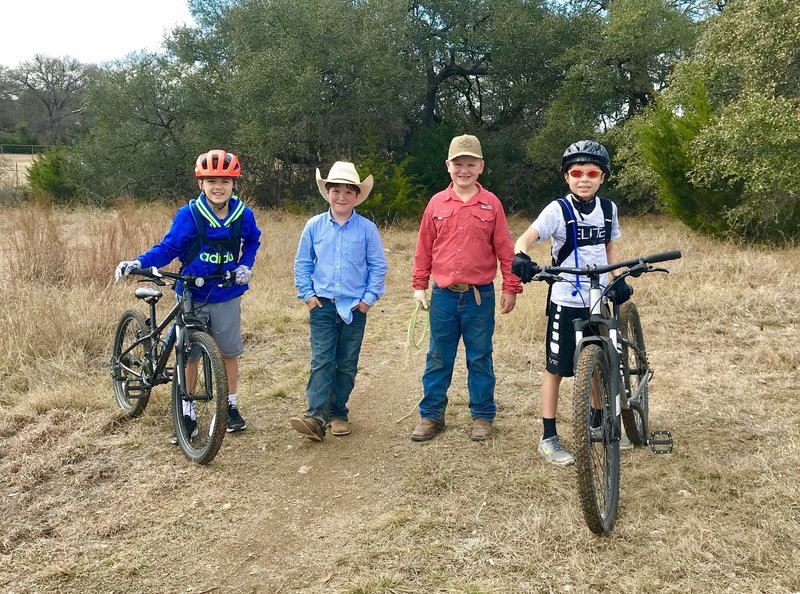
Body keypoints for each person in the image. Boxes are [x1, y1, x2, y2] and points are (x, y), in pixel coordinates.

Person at [115, 149, 262, 436]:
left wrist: (245, 265)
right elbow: (168, 248)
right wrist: (140, 262)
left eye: (225, 180)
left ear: (234, 184)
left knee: (229, 352)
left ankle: (230, 405)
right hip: (192, 292)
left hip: (226, 292)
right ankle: (188, 411)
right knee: (190, 354)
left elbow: (253, 241)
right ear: (200, 184)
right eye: (210, 181)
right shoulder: (190, 215)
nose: (218, 187)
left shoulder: (243, 214)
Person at [511, 140, 633, 466]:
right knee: (556, 369)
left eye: (592, 172)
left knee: (597, 363)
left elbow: (609, 251)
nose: (584, 178)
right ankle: (548, 436)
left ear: (602, 177)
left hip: (598, 296)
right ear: (567, 176)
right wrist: (521, 254)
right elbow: (528, 236)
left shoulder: (608, 210)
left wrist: (618, 278)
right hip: (566, 298)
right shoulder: (558, 210)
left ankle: (598, 419)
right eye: (577, 172)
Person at [411, 133, 522, 443]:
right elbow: (424, 248)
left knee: (480, 356)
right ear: (448, 166)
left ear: (481, 166)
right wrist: (420, 287)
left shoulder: (492, 204)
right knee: (438, 356)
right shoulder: (436, 203)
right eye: (458, 163)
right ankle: (431, 415)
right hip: (444, 295)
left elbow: (505, 248)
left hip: (479, 298)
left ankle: (482, 416)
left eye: (470, 164)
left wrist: (511, 286)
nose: (464, 169)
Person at [290, 161, 388, 442]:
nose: (342, 197)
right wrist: (308, 296)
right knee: (322, 360)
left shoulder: (367, 229)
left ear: (357, 195)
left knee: (346, 362)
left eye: (348, 191)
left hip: (355, 307)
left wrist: (368, 301)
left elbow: (378, 266)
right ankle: (315, 417)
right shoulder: (314, 226)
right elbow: (303, 263)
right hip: (322, 305)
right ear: (327, 192)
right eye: (336, 190)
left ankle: (338, 413)